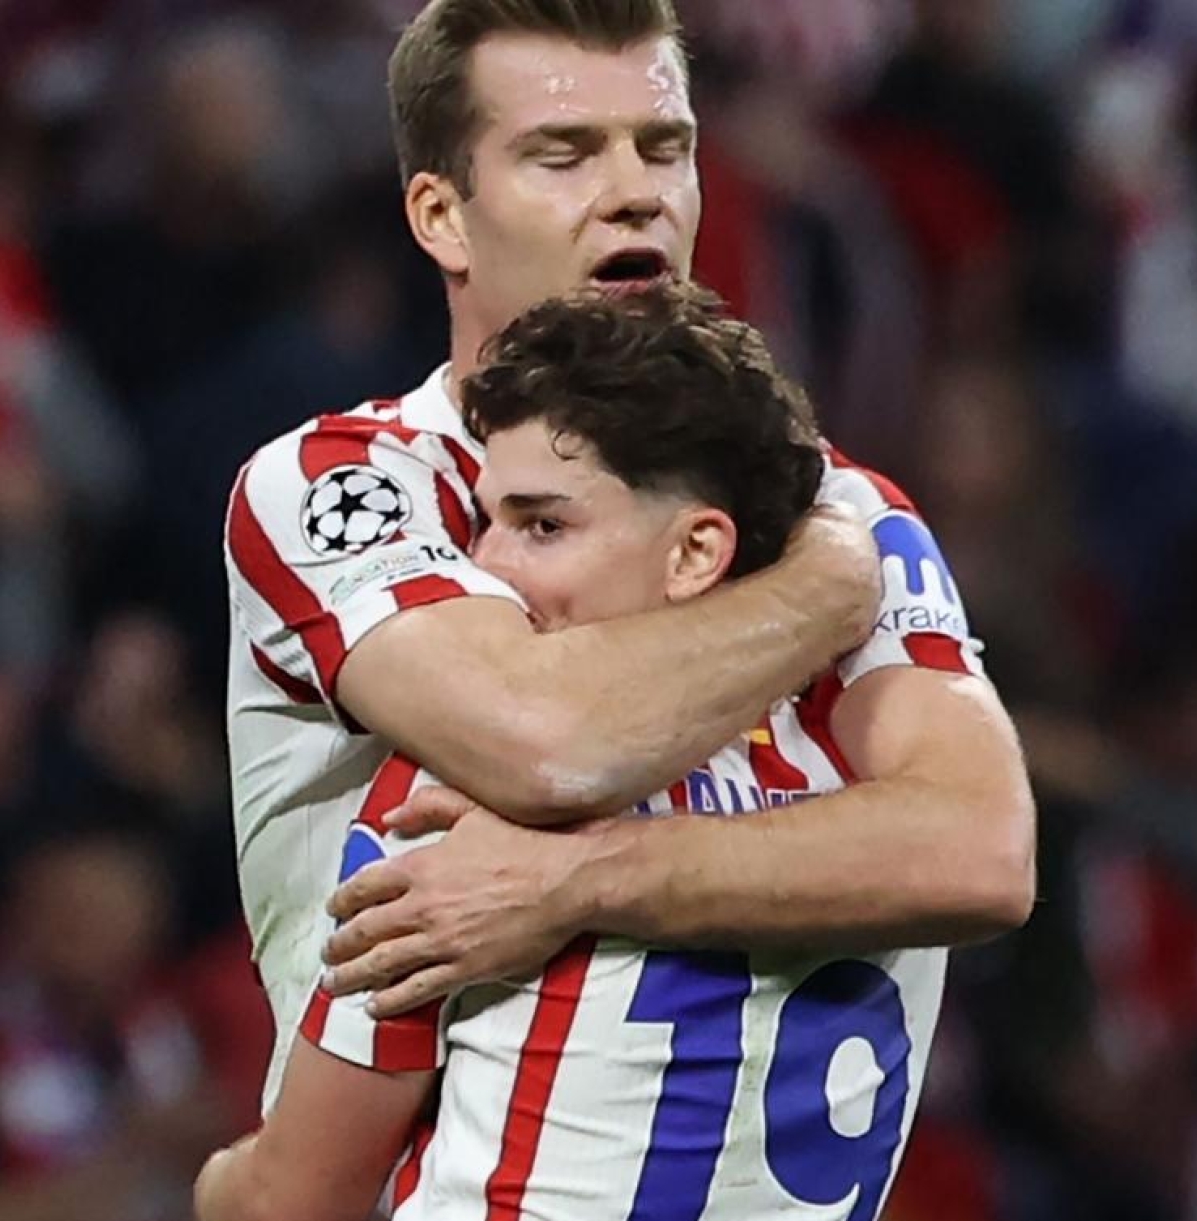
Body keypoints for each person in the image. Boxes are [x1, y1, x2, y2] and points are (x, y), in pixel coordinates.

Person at [222, 0, 1033, 1131]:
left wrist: (583, 883)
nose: (635, 191)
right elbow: (543, 745)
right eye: (563, 154)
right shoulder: (341, 484)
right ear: (441, 216)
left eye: (666, 148)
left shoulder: (835, 504)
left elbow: (982, 850)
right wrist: (824, 589)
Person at [206, 284, 964, 1221]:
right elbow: (983, 855)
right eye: (485, 522)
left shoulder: (468, 807)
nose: (488, 564)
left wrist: (217, 1183)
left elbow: (291, 1198)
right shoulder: (873, 804)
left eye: (544, 525)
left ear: (696, 553)